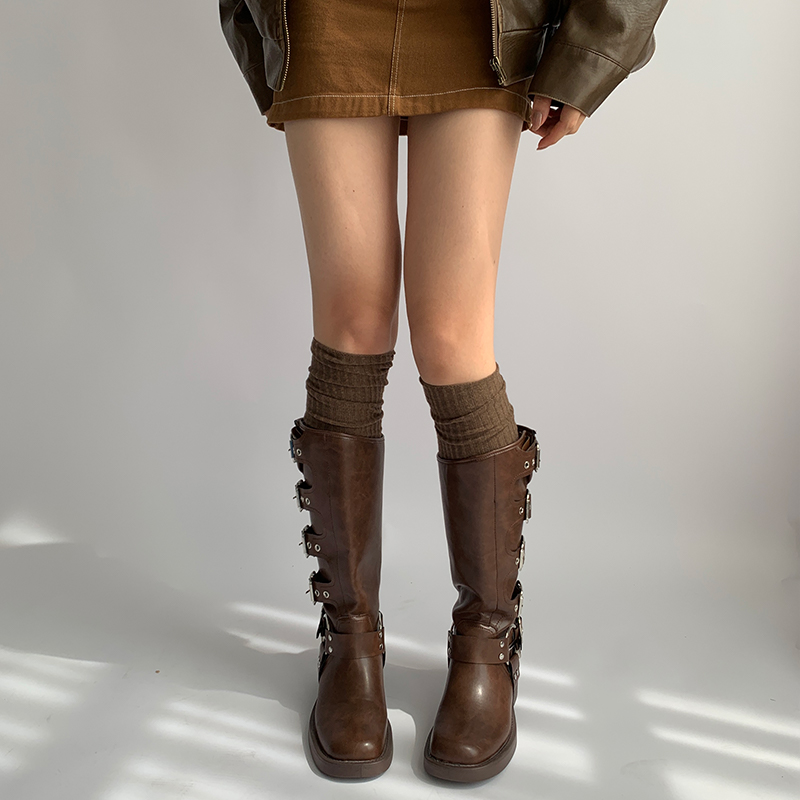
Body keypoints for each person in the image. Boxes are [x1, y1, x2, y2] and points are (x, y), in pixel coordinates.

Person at [219, 0, 668, 782]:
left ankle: (488, 638)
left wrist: (592, 51)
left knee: (452, 334)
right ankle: (350, 640)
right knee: (351, 320)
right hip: (327, 16)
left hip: (480, 21)